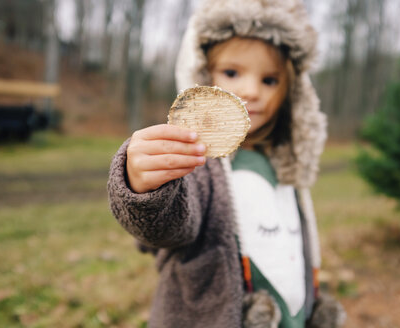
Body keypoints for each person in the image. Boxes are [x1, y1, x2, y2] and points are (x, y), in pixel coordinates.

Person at [107, 0, 346, 327]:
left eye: (270, 80)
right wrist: (146, 186)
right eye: (232, 72)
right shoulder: (198, 162)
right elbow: (168, 227)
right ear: (202, 74)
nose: (251, 90)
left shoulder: (287, 167)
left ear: (291, 91)